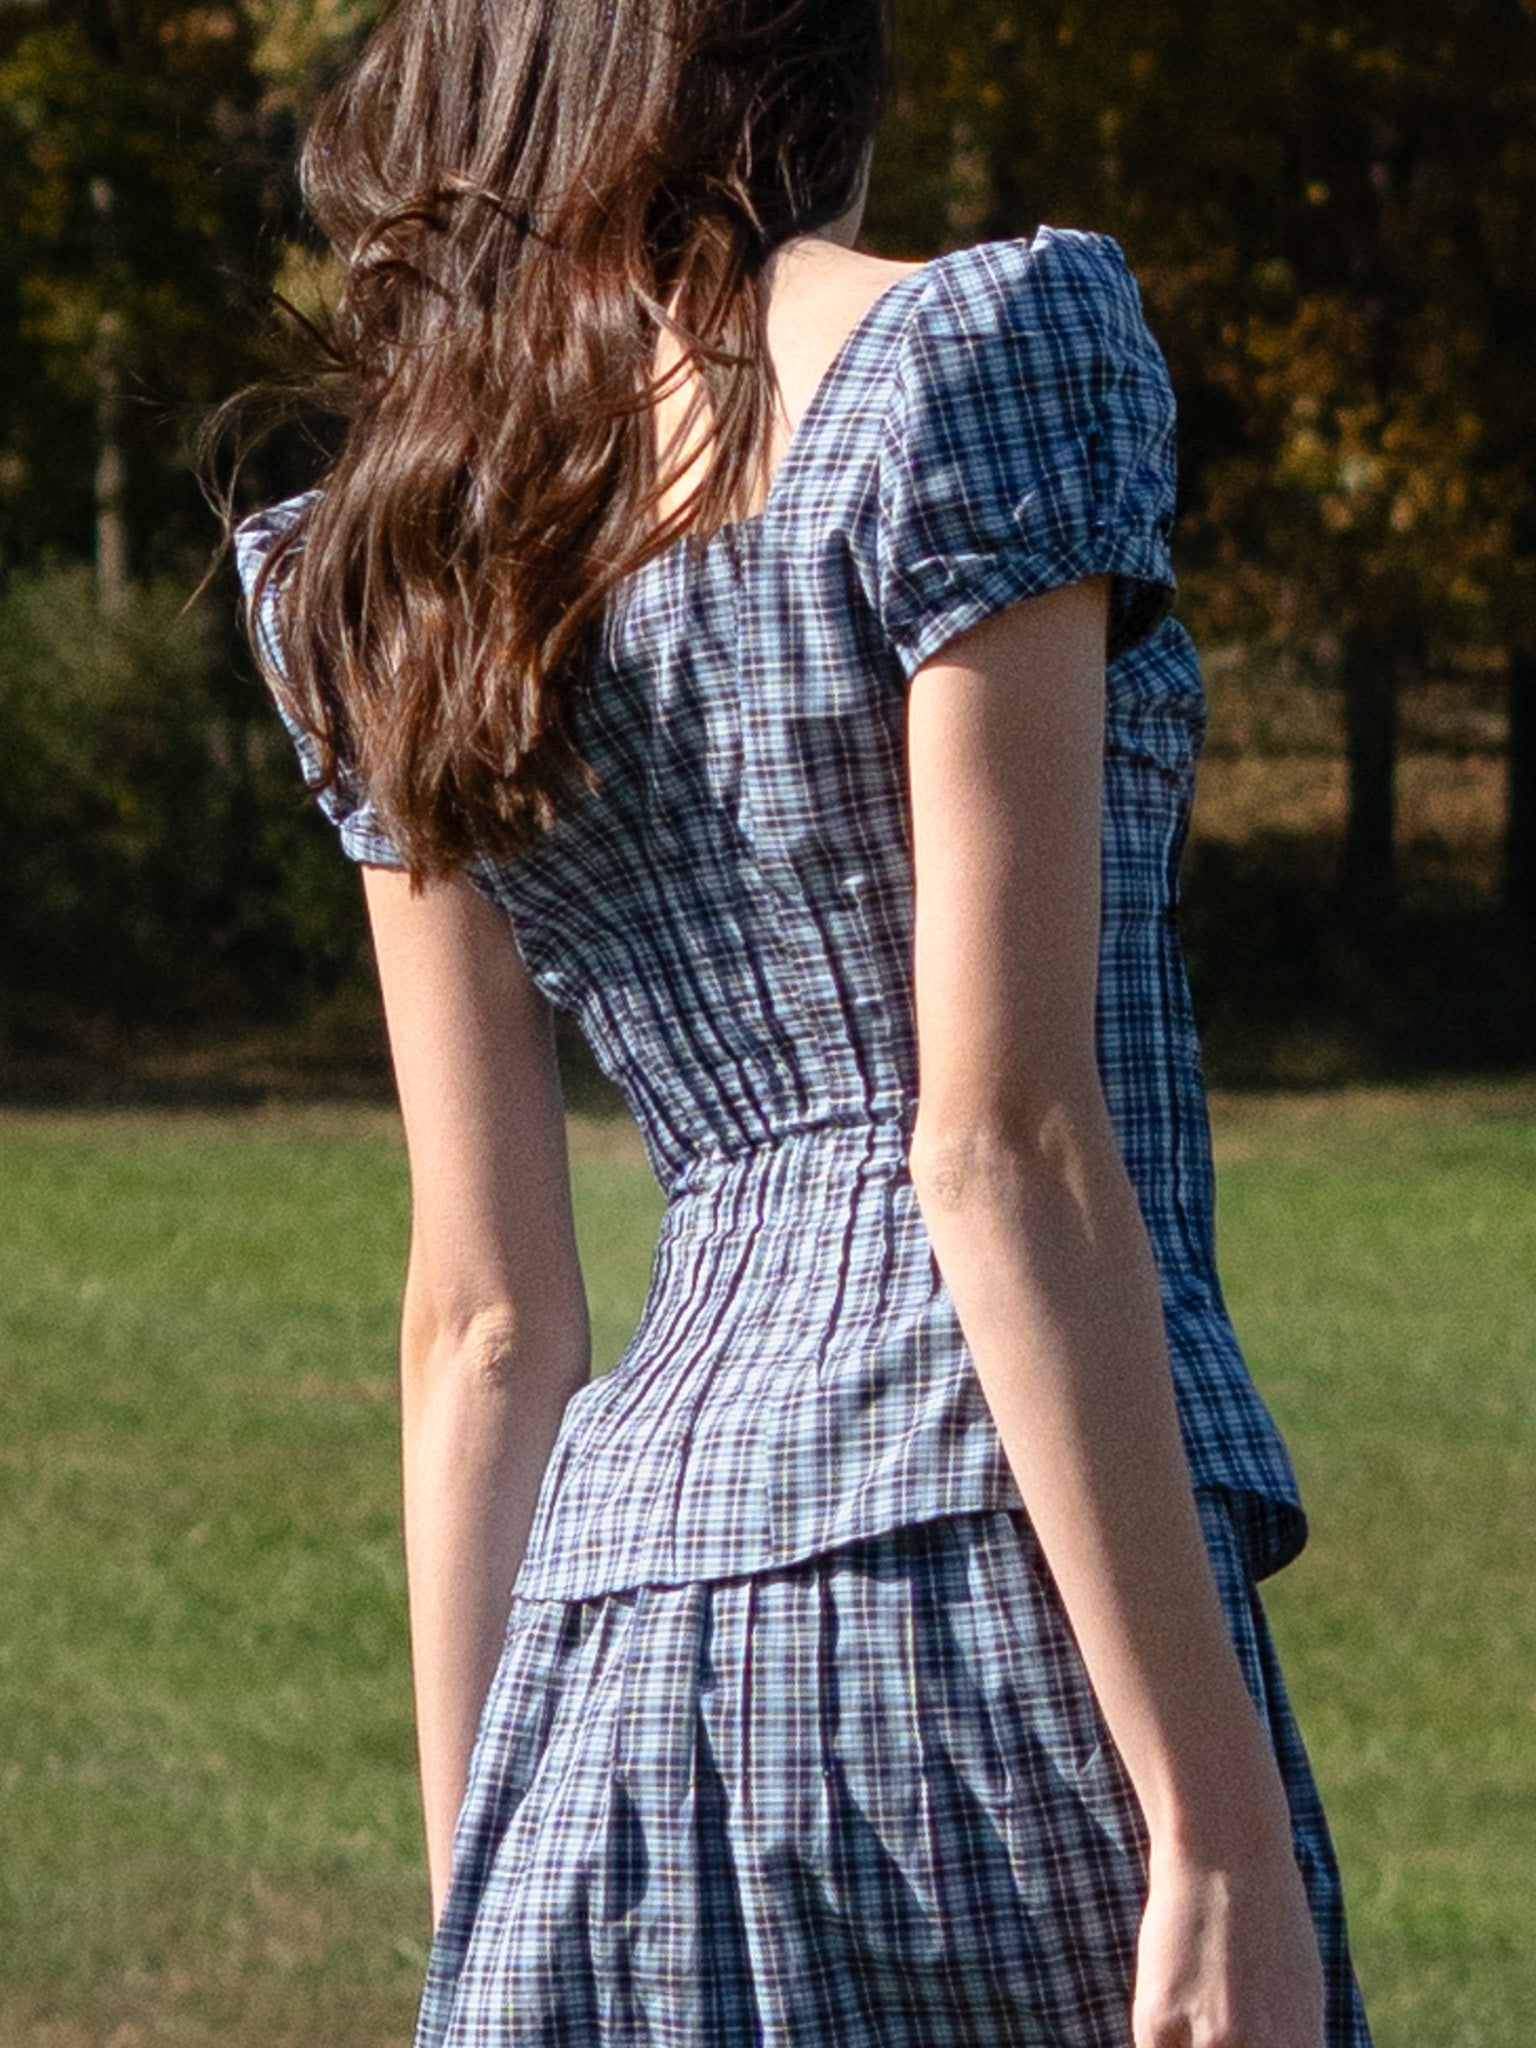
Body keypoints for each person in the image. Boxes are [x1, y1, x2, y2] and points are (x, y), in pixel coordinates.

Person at [228, 0, 1375, 2041]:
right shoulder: (967, 356)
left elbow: (483, 1321)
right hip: (993, 1604)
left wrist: (479, 1901)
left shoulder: (398, 554)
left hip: (610, 1665)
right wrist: (1212, 1833)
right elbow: (995, 1145)